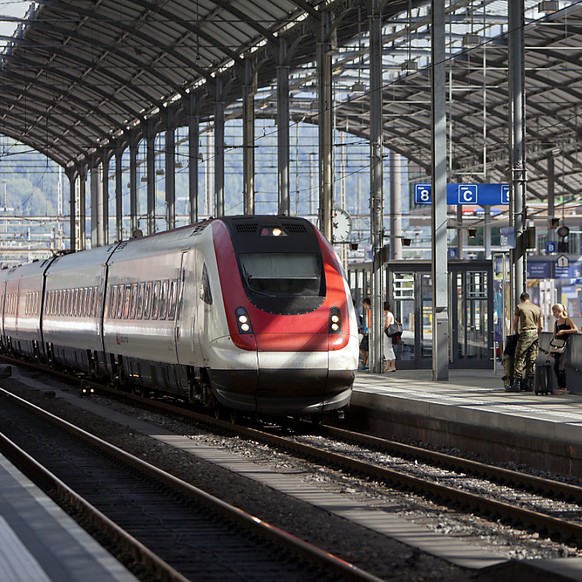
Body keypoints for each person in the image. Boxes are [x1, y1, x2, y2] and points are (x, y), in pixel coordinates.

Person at [511, 292, 542, 392]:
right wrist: (536, 333)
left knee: (519, 357)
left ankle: (517, 382)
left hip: (525, 333)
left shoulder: (519, 307)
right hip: (535, 334)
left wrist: (516, 333)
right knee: (531, 358)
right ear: (529, 298)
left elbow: (515, 323)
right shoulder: (537, 308)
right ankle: (531, 383)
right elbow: (540, 326)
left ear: (521, 299)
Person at [550, 303, 578, 395]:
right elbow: (554, 335)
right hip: (557, 346)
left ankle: (563, 387)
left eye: (554, 312)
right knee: (556, 367)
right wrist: (550, 350)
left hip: (564, 346)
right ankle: (561, 387)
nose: (554, 314)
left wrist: (564, 331)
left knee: (560, 367)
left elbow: (575, 329)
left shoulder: (567, 320)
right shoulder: (556, 323)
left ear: (559, 311)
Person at [383, 301, 396, 373]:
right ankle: (388, 365)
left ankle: (393, 366)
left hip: (387, 334)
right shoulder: (386, 314)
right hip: (385, 334)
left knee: (389, 348)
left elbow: (386, 325)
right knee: (385, 349)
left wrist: (381, 330)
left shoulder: (389, 314)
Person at [359, 297, 371, 370]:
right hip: (367, 331)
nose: (363, 306)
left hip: (368, 332)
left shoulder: (369, 311)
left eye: (363, 304)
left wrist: (366, 331)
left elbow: (369, 322)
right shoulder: (368, 311)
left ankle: (366, 362)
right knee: (365, 348)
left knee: (363, 347)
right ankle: (366, 361)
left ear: (366, 304)